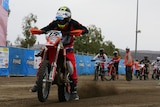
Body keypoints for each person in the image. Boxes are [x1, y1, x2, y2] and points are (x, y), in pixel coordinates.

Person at [30, 6, 88, 101]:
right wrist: (41, 31)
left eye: (62, 20)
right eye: (59, 19)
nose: (60, 22)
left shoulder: (73, 23)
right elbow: (47, 28)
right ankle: (38, 82)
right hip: (54, 45)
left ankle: (73, 89)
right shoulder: (54, 23)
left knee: (72, 65)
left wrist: (80, 31)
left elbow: (85, 29)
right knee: (44, 54)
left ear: (68, 18)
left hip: (67, 47)